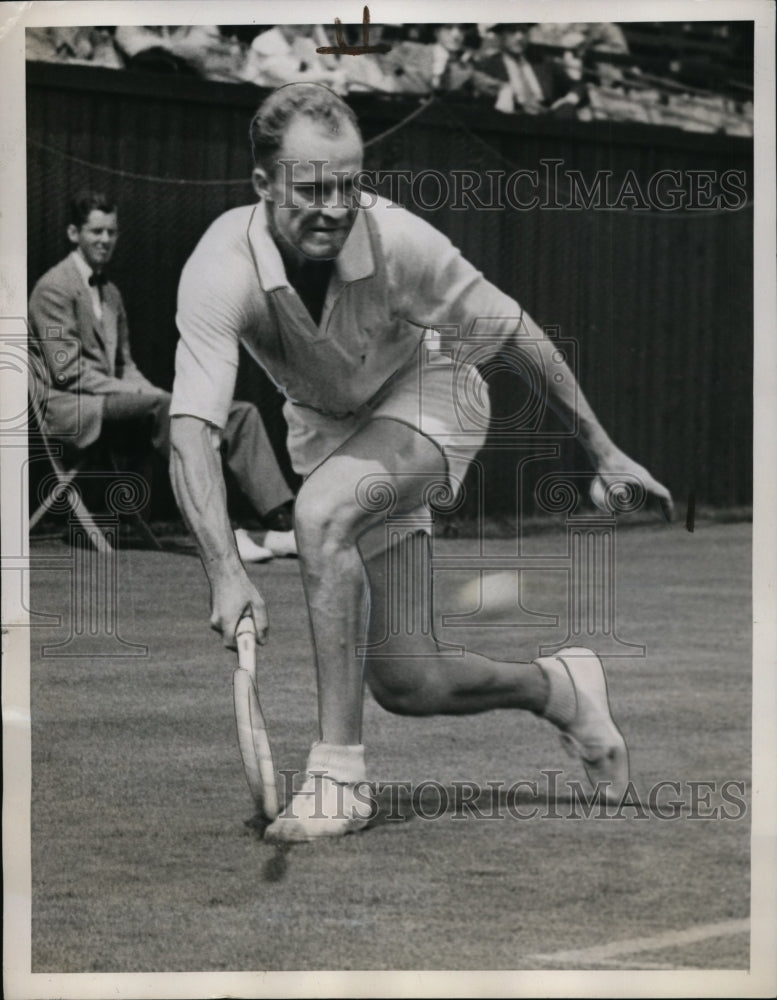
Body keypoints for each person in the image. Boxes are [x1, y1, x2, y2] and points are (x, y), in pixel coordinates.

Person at [170, 83, 674, 842]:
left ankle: (338, 778)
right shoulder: (219, 268)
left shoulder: (401, 240)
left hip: (433, 395)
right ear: (263, 185)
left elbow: (513, 331)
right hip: (329, 430)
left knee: (320, 513)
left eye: (347, 184)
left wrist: (601, 448)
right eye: (310, 187)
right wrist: (223, 570)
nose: (333, 207)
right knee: (409, 681)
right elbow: (190, 431)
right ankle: (562, 689)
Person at [28, 190, 296, 561]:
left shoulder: (112, 294)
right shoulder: (52, 288)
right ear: (74, 234)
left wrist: (148, 390)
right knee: (173, 409)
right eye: (96, 232)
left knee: (238, 412)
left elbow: (124, 364)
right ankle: (217, 533)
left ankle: (280, 518)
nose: (105, 240)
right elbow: (67, 374)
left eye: (111, 231)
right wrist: (145, 395)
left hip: (114, 400)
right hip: (72, 410)